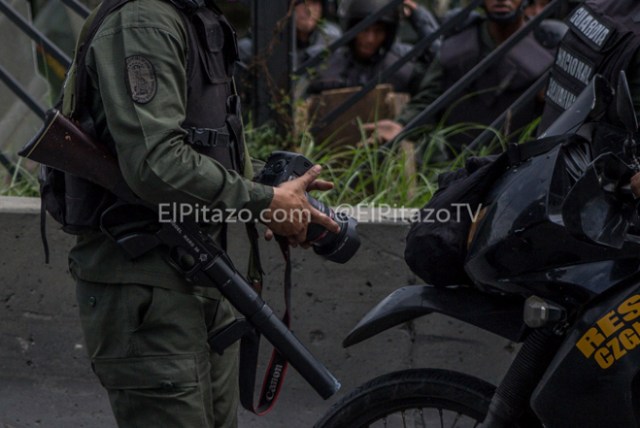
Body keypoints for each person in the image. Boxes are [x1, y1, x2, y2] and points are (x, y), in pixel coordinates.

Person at [60, 0, 339, 426]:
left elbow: (207, 143)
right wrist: (262, 202)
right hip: (149, 290)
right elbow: (155, 163)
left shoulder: (196, 17)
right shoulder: (145, 22)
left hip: (202, 274)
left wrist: (271, 194)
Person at [367, 0, 562, 156]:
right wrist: (402, 125)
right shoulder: (458, 45)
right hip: (458, 165)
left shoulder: (547, 49)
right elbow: (430, 99)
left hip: (521, 168)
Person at [306, 0, 440, 95]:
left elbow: (439, 60)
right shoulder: (324, 62)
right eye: (364, 30)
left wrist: (418, 15)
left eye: (378, 31)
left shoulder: (402, 63)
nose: (370, 39)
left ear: (388, 34)